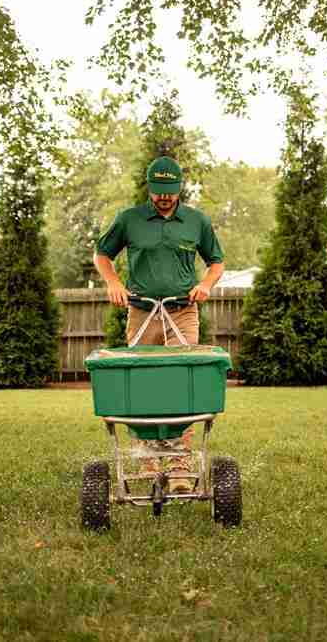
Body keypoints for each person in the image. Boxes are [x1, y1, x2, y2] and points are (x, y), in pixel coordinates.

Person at [93, 154, 224, 492]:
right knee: (141, 384)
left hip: (182, 311)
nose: (163, 197)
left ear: (179, 187)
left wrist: (205, 285)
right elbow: (102, 254)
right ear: (149, 188)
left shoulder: (196, 221)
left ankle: (180, 465)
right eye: (157, 191)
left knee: (183, 383)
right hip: (142, 311)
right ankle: (149, 463)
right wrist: (113, 282)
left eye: (169, 190)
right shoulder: (130, 219)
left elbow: (216, 262)